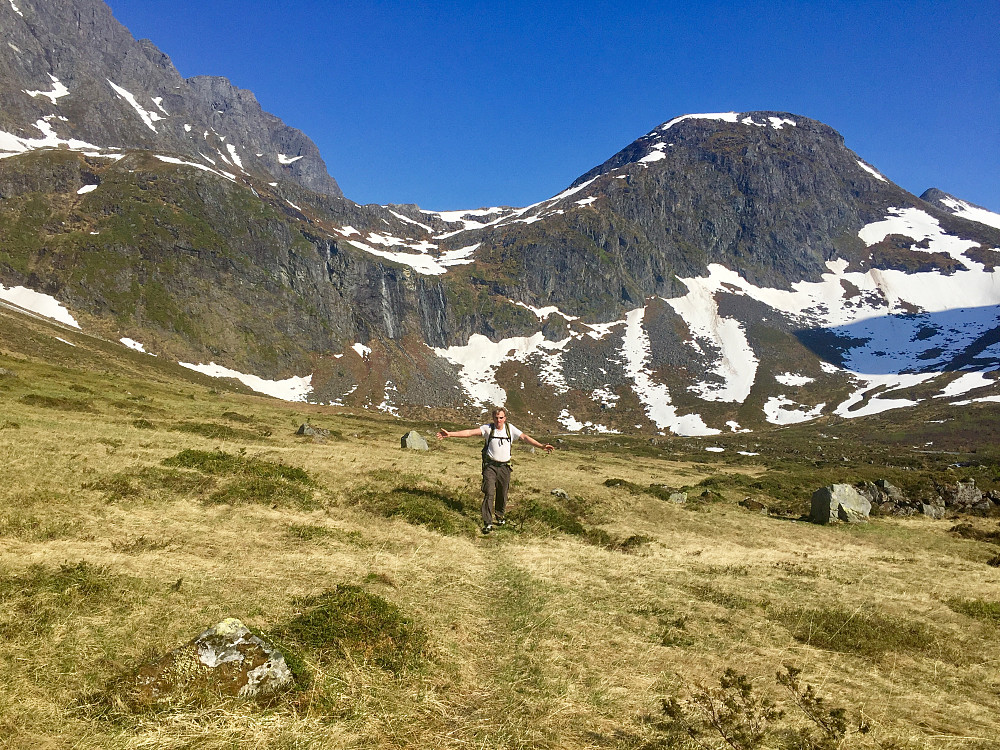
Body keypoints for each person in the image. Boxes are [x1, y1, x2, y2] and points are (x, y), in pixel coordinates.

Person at [437, 407, 554, 534]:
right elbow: (469, 432)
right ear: (493, 418)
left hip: (505, 467)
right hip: (490, 467)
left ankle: (500, 515)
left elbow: (525, 437)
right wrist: (450, 434)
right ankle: (487, 522)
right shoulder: (488, 429)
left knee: (502, 493)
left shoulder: (510, 429)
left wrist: (541, 446)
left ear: (505, 418)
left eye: (501, 418)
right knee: (489, 492)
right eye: (496, 418)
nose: (498, 420)